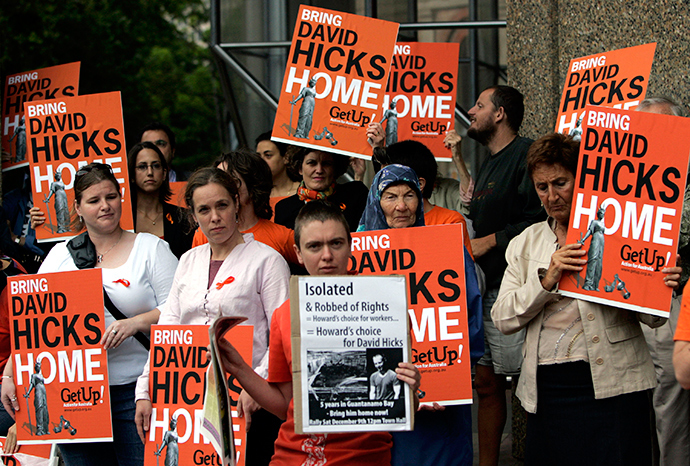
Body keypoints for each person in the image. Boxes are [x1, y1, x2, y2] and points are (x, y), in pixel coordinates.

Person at [491, 133, 677, 465]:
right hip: (547, 388)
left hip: (613, 383)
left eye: (561, 182)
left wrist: (660, 284)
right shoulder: (526, 242)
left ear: (584, 180)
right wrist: (546, 281)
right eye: (541, 187)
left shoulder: (619, 233)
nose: (551, 196)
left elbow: (654, 318)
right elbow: (503, 318)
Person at [213, 200, 419, 464]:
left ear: (351, 245)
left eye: (336, 243)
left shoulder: (387, 308)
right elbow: (285, 406)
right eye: (314, 246)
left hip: (362, 457)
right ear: (298, 253)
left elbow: (403, 408)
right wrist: (240, 369)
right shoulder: (285, 313)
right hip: (292, 456)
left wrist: (411, 387)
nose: (326, 256)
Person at [3, 162, 179, 466]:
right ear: (78, 208)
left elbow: (179, 311)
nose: (105, 206)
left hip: (139, 392)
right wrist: (9, 374)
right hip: (74, 398)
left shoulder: (152, 249)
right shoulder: (59, 256)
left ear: (121, 196)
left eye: (110, 197)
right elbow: (32, 323)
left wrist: (134, 323)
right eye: (94, 200)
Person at [134, 168, 290, 465]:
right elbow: (168, 330)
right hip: (187, 401)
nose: (215, 217)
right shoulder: (188, 261)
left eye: (222, 206)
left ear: (236, 204)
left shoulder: (267, 261)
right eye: (204, 209)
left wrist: (258, 385)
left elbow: (281, 336)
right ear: (193, 216)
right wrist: (145, 391)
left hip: (247, 403)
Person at [444, 85, 544, 466]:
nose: (471, 110)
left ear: (500, 114)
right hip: (484, 288)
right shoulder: (488, 161)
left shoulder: (526, 155)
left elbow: (540, 217)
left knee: (525, 381)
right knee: (486, 384)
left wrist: (489, 242)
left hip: (514, 287)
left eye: (480, 105)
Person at [357, 164, 483, 466]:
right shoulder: (356, 257)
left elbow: (470, 315)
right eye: (390, 196)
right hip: (386, 404)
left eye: (409, 195)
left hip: (441, 405)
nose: (401, 206)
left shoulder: (446, 249)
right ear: (376, 201)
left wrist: (448, 379)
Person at [635, 96, 690, 466]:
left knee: (670, 400)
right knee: (656, 402)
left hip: (680, 294)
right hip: (646, 301)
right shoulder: (625, 178)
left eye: (663, 126)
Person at [191, 151, 299, 267]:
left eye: (230, 181)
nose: (221, 188)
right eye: (218, 181)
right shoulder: (205, 234)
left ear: (254, 185)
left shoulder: (282, 237)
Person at [274, 147, 368, 232]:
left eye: (326, 163)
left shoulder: (355, 194)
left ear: (335, 168)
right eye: (312, 163)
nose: (319, 170)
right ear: (300, 168)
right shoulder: (284, 208)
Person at [127, 141, 194, 259]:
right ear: (132, 175)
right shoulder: (123, 219)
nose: (150, 172)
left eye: (156, 166)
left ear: (164, 174)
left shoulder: (182, 218)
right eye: (142, 167)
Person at [255, 132, 301, 215]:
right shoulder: (255, 195)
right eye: (258, 156)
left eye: (268, 155)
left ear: (286, 157)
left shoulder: (303, 191)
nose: (261, 161)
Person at [24, 360, 49, 435]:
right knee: (39, 407)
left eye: (39, 366)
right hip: (38, 390)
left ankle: (45, 428)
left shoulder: (41, 376)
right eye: (37, 366)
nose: (39, 367)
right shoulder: (34, 375)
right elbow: (32, 384)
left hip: (43, 390)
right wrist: (28, 392)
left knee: (45, 408)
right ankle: (39, 429)